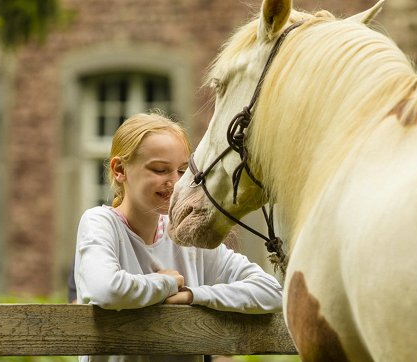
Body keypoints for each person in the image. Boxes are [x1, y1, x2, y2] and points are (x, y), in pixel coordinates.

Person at [74, 112, 283, 362]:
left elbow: (272, 291)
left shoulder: (187, 232)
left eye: (183, 171)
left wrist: (195, 295)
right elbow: (107, 290)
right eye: (160, 170)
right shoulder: (100, 222)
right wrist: (167, 283)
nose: (175, 182)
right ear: (120, 170)